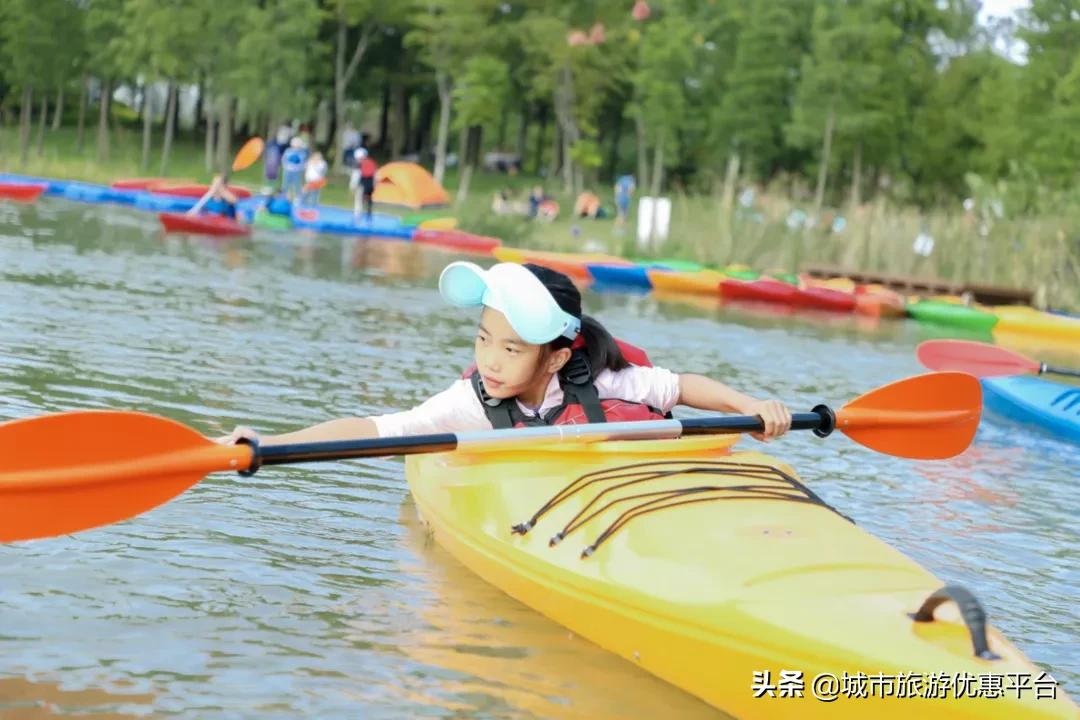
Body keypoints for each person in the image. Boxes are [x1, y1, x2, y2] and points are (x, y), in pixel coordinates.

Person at [221, 261, 792, 446]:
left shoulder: (602, 379)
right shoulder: (471, 403)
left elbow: (681, 386)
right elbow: (375, 429)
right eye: (483, 339)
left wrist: (751, 406)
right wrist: (270, 442)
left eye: (512, 348)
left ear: (555, 358)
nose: (490, 361)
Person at [350, 148, 378, 221]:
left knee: (359, 200)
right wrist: (375, 184)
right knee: (368, 201)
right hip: (370, 185)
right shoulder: (371, 163)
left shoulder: (358, 165)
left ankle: (357, 216)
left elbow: (355, 177)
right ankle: (368, 215)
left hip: (362, 185)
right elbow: (375, 175)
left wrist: (352, 187)